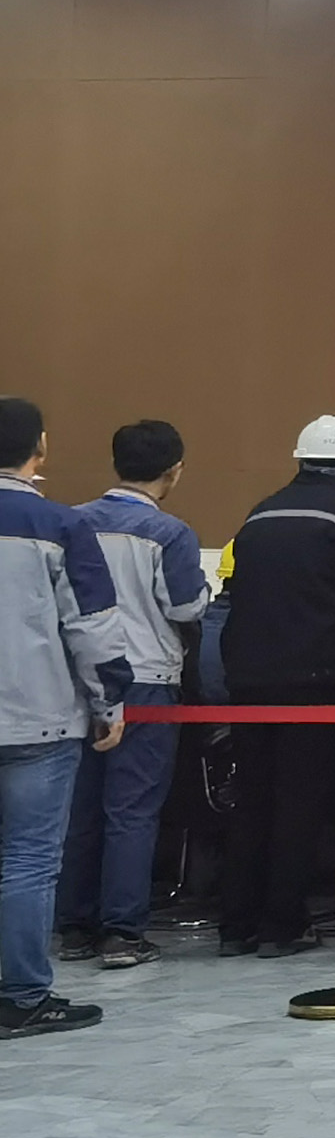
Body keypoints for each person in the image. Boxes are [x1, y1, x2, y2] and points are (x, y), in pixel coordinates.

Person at [216, 414, 335, 957]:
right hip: (319, 682)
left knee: (252, 799)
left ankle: (236, 925)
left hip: (248, 680)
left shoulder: (261, 512)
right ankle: (282, 925)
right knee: (300, 802)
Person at [2, 399, 127, 1041]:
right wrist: (109, 704)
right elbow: (93, 627)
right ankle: (22, 996)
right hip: (39, 720)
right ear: (40, 448)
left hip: (38, 721)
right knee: (27, 860)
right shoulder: (60, 524)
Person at [59, 419, 203, 971]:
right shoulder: (170, 533)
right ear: (175, 470)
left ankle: (74, 927)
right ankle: (122, 932)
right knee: (133, 811)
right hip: (147, 682)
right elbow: (186, 607)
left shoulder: (72, 522)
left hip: (79, 680)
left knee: (81, 809)